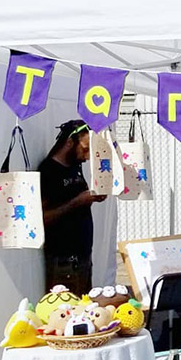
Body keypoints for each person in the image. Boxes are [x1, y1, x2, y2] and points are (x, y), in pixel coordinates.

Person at [39, 120, 106, 293]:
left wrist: (93, 197)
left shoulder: (75, 166)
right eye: (85, 148)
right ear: (69, 142)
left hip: (82, 255)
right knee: (68, 313)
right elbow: (42, 218)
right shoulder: (49, 171)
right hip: (63, 260)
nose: (88, 155)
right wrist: (78, 201)